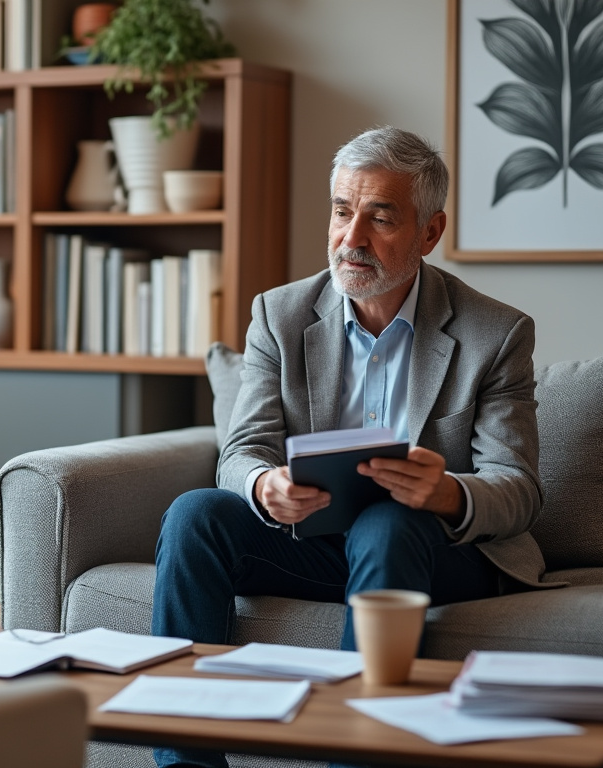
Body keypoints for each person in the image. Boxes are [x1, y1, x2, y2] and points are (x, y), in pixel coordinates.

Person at [150, 127, 546, 767]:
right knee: (196, 514)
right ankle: (183, 762)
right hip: (316, 540)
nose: (351, 238)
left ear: (429, 232)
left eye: (380, 218)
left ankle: (351, 757)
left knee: (390, 521)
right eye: (341, 211)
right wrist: (263, 485)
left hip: (436, 551)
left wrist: (447, 492)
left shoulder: (494, 334)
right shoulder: (279, 315)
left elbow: (520, 491)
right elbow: (242, 449)